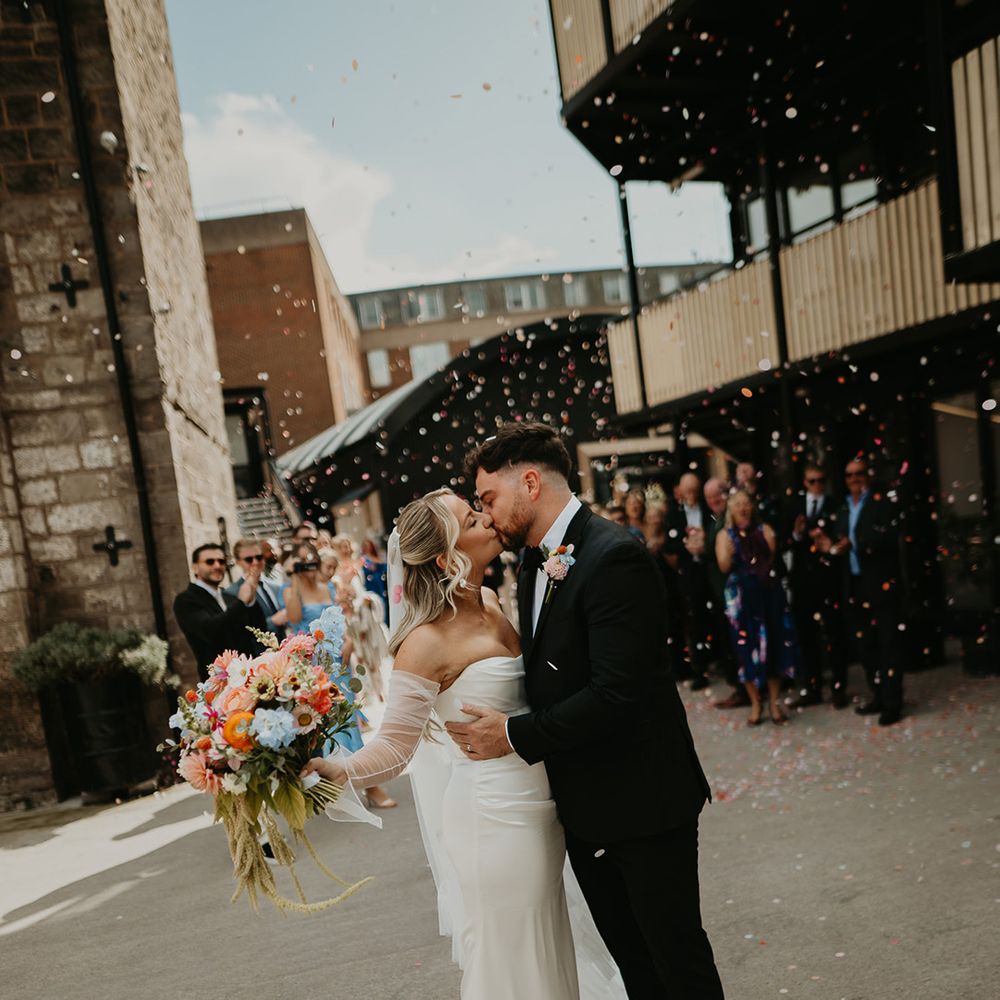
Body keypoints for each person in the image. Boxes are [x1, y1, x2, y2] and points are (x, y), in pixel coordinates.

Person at [455, 424, 722, 997]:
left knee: (678, 962)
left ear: (530, 481)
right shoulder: (531, 563)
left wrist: (513, 735)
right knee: (636, 966)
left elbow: (617, 695)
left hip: (644, 800)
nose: (486, 513)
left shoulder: (614, 555)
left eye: (489, 498)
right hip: (583, 809)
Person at [287, 541, 396, 808]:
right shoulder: (292, 593)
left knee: (349, 722)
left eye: (311, 561)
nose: (309, 567)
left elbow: (339, 619)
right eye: (302, 563)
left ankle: (370, 785)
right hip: (314, 667)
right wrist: (296, 580)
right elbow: (294, 622)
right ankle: (330, 785)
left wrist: (348, 640)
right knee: (326, 727)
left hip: (338, 662)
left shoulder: (330, 586)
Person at [814, 460, 906, 726]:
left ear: (867, 475)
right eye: (849, 474)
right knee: (865, 644)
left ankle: (892, 702)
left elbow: (889, 536)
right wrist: (830, 546)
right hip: (854, 583)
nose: (854, 478)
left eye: (859, 473)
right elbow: (839, 540)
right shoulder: (843, 506)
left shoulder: (881, 502)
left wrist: (855, 543)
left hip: (880, 582)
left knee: (888, 642)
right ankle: (878, 694)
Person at [716, 490, 797, 726]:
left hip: (767, 595)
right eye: (738, 504)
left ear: (752, 507)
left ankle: (773, 701)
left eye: (746, 504)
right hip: (741, 600)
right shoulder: (725, 535)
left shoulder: (765, 530)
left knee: (773, 645)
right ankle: (755, 702)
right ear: (731, 510)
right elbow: (723, 566)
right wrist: (729, 554)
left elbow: (771, 558)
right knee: (744, 649)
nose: (743, 508)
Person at [785, 465, 848, 708]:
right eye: (812, 481)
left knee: (834, 634)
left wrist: (829, 545)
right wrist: (797, 534)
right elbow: (786, 539)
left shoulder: (836, 505)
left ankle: (838, 687)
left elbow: (841, 540)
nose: (817, 485)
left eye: (821, 480)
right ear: (805, 482)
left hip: (828, 581)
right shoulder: (795, 506)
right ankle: (813, 687)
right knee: (806, 636)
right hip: (802, 582)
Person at [173, 543, 266, 680]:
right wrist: (241, 603)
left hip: (248, 675)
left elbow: (257, 630)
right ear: (195, 567)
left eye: (221, 561)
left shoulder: (228, 596)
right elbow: (209, 630)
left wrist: (250, 601)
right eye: (210, 562)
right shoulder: (186, 600)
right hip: (218, 680)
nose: (217, 566)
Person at [665, 472, 714, 691]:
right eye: (688, 491)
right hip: (689, 574)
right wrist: (686, 545)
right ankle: (699, 669)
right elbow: (669, 544)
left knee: (716, 617)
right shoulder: (674, 515)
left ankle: (720, 660)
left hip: (710, 570)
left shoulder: (708, 511)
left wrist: (705, 544)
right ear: (681, 493)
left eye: (695, 491)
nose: (692, 495)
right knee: (693, 623)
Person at [704, 478, 749, 710]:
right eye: (709, 497)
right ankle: (741, 687)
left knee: (738, 640)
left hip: (733, 590)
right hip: (719, 590)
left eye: (718, 495)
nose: (714, 500)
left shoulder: (730, 522)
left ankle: (745, 689)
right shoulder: (714, 520)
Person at [225, 538, 289, 643]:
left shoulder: (276, 586)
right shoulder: (232, 592)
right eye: (249, 559)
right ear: (238, 562)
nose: (255, 562)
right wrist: (273, 621)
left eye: (259, 557)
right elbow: (241, 630)